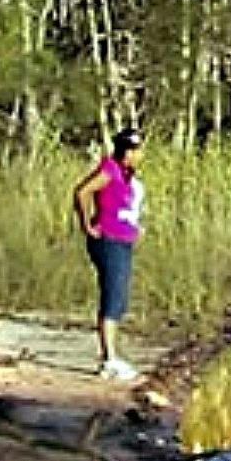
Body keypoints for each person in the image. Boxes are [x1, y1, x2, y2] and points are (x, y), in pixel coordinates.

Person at [71, 126, 146, 380]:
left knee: (119, 296)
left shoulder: (126, 174)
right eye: (134, 150)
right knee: (112, 296)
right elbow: (82, 191)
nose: (138, 154)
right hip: (109, 239)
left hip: (123, 239)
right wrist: (86, 224)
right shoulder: (110, 169)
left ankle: (112, 355)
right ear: (125, 151)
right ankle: (109, 359)